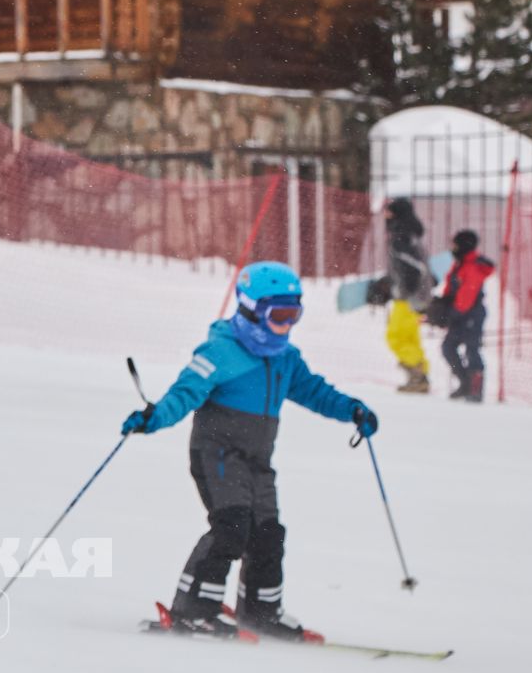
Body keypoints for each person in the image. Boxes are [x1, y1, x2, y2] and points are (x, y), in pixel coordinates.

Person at [123, 261, 378, 640]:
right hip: (218, 455)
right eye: (279, 316)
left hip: (258, 461)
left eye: (294, 315)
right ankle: (193, 610)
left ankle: (261, 611)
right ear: (250, 310)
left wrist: (351, 409)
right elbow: (185, 393)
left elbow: (313, 391)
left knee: (268, 534)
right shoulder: (221, 351)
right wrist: (154, 417)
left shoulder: (285, 359)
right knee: (232, 528)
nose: (286, 326)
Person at [368, 198, 434, 394]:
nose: (386, 216)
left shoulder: (401, 236)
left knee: (395, 337)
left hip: (407, 298)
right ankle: (420, 376)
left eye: (389, 212)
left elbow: (411, 269)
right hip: (418, 296)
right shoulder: (412, 233)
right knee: (411, 338)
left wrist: (399, 290)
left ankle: (417, 374)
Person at [431, 228, 495, 402]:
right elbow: (450, 288)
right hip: (459, 314)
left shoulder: (472, 267)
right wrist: (442, 306)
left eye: (455, 244)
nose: (453, 248)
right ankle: (464, 381)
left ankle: (475, 388)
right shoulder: (459, 264)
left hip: (472, 314)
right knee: (448, 347)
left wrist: (450, 315)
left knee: (472, 350)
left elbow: (467, 296)